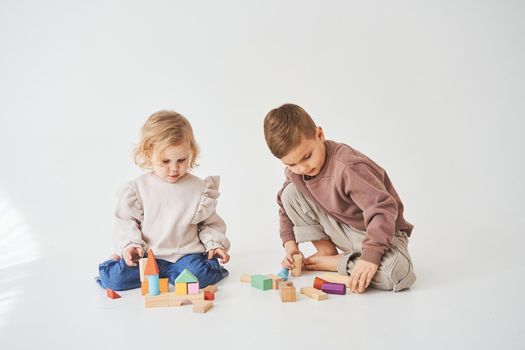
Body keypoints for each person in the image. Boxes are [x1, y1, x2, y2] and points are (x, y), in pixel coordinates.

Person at [263, 103, 416, 293]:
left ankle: (337, 262)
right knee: (290, 192)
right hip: (341, 228)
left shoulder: (347, 167)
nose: (302, 168)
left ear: (320, 134)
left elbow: (383, 210)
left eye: (307, 156)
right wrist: (290, 247)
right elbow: (285, 206)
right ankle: (327, 252)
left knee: (399, 273)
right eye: (291, 164)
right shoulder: (297, 172)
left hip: (381, 231)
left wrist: (370, 258)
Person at [97, 110, 230, 291]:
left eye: (181, 160)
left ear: (190, 152)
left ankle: (188, 270)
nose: (174, 168)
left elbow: (209, 224)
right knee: (115, 281)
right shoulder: (139, 188)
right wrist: (131, 246)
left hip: (186, 255)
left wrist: (214, 244)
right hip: (148, 256)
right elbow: (126, 222)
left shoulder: (199, 188)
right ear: (148, 153)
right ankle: (115, 262)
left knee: (199, 275)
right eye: (165, 161)